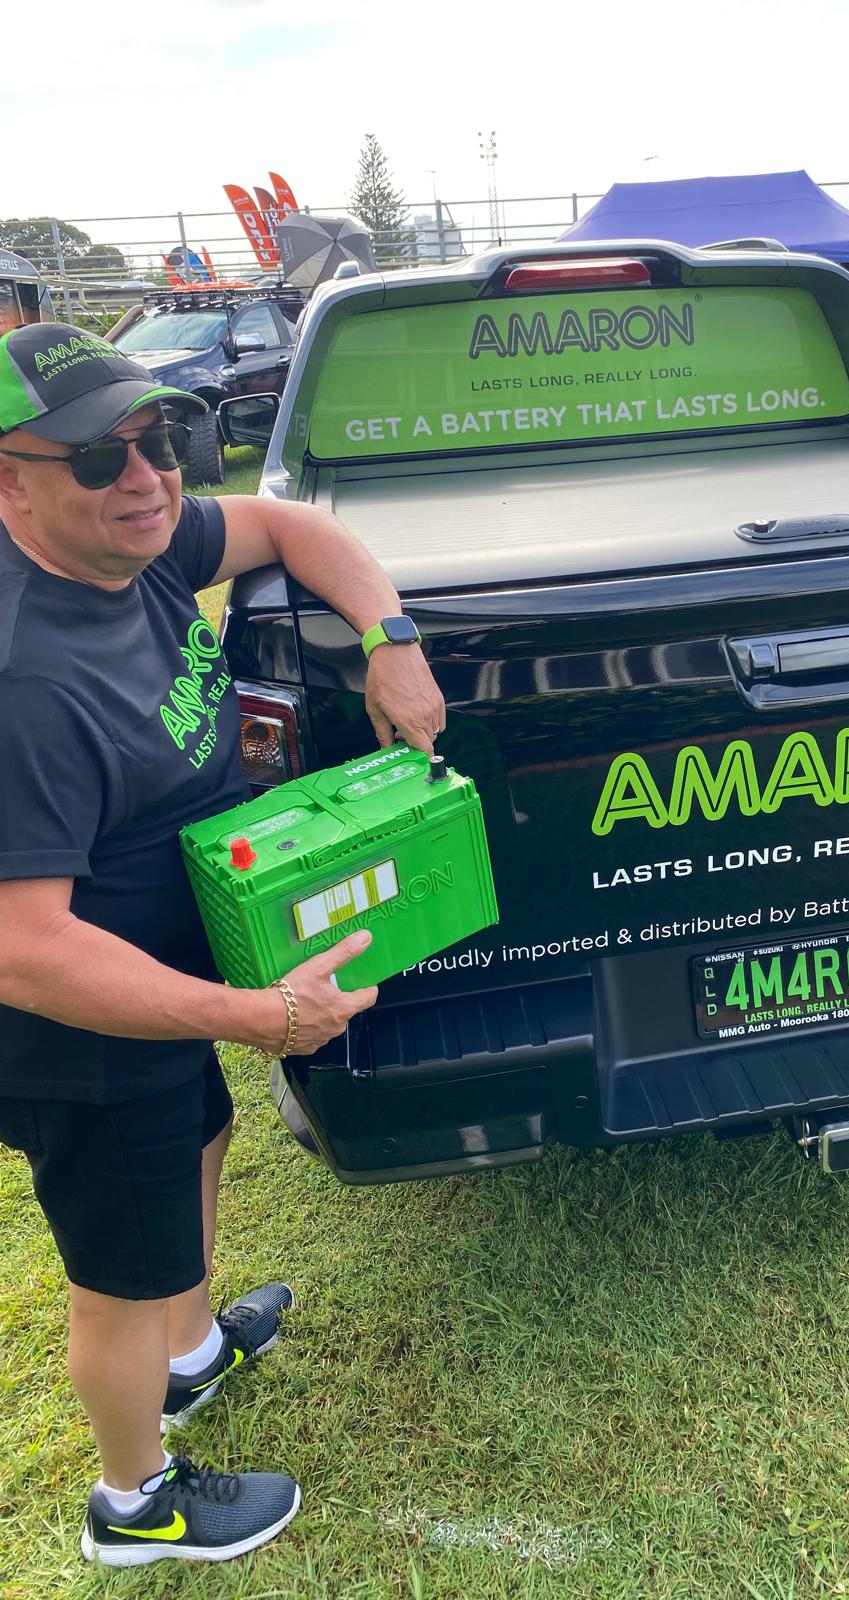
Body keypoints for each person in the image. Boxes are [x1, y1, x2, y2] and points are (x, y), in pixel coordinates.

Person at [0, 324, 445, 1567]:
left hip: (165, 988)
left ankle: (190, 1352)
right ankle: (137, 1502)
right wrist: (259, 1016)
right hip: (85, 1036)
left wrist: (392, 641)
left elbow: (290, 524)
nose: (148, 479)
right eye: (100, 459)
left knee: (199, 1136)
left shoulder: (134, 542)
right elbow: (24, 950)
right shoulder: (24, 682)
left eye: (161, 441)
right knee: (120, 1272)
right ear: (10, 483)